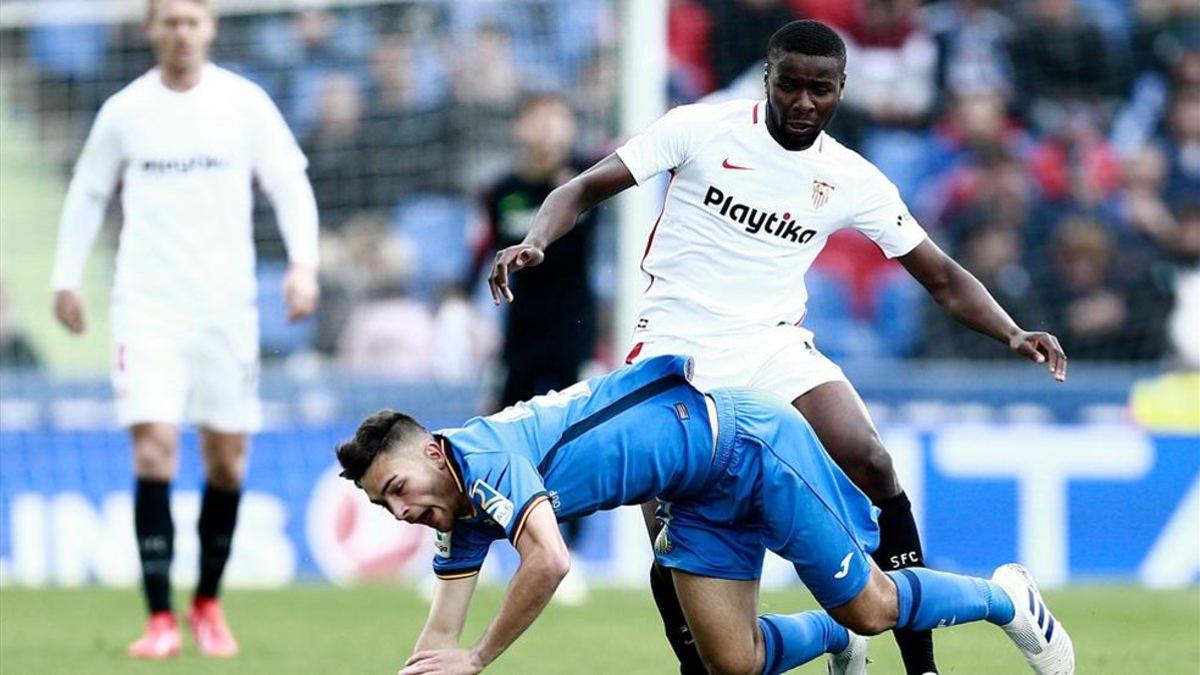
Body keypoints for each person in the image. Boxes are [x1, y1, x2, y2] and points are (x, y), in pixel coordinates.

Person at [487, 19, 1067, 675]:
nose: (803, 102)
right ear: (769, 78)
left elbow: (940, 275)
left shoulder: (851, 178)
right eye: (789, 85)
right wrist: (537, 239)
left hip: (772, 347)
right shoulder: (700, 127)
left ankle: (921, 665)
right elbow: (582, 187)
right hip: (676, 355)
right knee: (671, 539)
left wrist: (1013, 330)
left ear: (840, 88)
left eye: (819, 89)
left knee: (873, 461)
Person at [335, 355, 1076, 675]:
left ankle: (1008, 596)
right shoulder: (455, 509)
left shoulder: (484, 459)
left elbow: (550, 561)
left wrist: (480, 658)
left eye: (396, 486)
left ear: (431, 450)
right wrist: (439, 660)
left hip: (750, 444)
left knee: (876, 605)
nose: (399, 510)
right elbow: (438, 639)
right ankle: (834, 638)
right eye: (381, 503)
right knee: (734, 662)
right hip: (696, 491)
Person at [49, 0, 319, 660]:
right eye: (168, 20)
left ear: (210, 27)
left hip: (227, 311)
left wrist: (304, 265)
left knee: (227, 458)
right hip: (147, 308)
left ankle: (206, 601)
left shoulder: (244, 103)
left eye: (191, 20)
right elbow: (88, 191)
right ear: (150, 29)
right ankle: (159, 618)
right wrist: (65, 277)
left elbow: (288, 183)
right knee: (153, 450)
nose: (180, 32)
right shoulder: (125, 111)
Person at [465, 92, 601, 603]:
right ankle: (469, 550)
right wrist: (460, 300)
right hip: (518, 335)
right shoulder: (501, 191)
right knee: (493, 441)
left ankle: (574, 556)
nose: (548, 132)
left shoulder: (583, 183)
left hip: (573, 331)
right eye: (538, 121)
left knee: (576, 443)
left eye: (557, 122)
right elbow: (479, 250)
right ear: (520, 127)